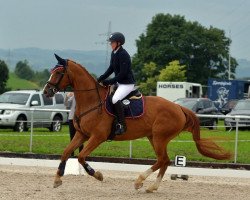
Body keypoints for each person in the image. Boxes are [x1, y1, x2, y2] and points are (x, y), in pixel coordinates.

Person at [97, 32, 136, 135]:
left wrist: (109, 81)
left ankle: (122, 125)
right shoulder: (114, 53)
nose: (111, 44)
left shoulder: (124, 54)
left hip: (127, 84)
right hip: (120, 83)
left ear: (119, 43)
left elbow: (123, 73)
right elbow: (111, 68)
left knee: (115, 99)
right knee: (106, 97)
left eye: (112, 42)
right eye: (111, 42)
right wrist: (101, 78)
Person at [64, 92, 83, 156]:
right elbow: (66, 105)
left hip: (80, 119)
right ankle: (71, 153)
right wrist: (66, 97)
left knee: (81, 137)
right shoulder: (73, 96)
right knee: (72, 137)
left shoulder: (83, 95)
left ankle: (81, 153)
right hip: (72, 118)